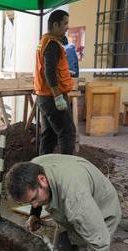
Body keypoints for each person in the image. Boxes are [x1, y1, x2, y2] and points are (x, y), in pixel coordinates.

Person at [34, 9, 76, 155]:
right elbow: (49, 72)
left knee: (49, 136)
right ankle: (67, 170)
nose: (67, 27)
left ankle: (42, 169)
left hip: (44, 96)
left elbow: (51, 68)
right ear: (55, 25)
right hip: (52, 97)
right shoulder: (52, 44)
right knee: (67, 133)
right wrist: (58, 96)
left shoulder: (44, 41)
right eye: (65, 23)